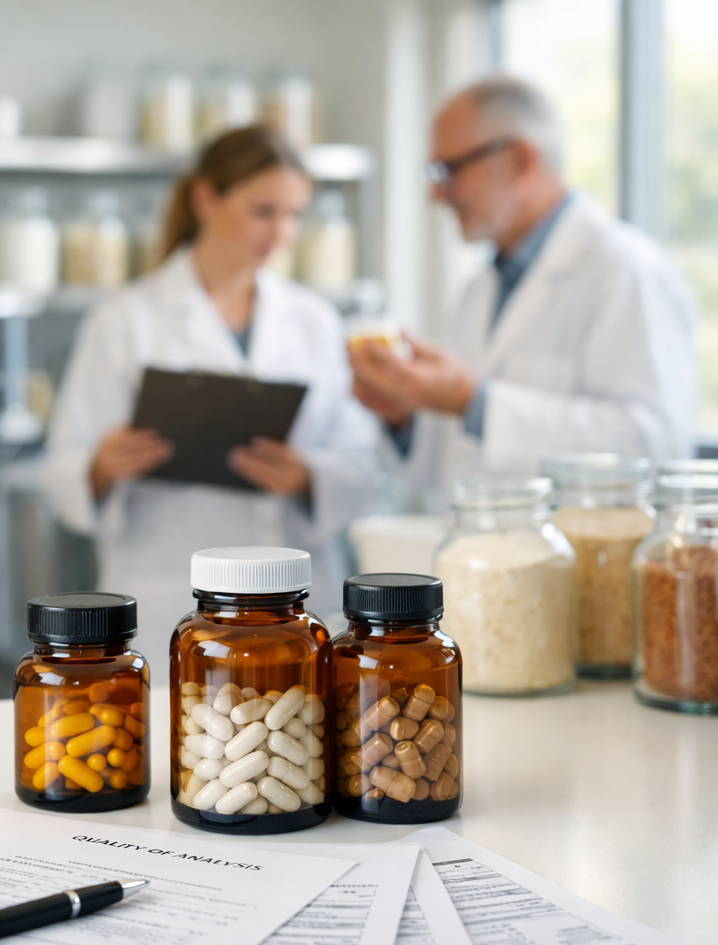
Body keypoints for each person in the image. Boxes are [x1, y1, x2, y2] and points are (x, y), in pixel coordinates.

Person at [44, 126, 377, 670]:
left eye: (295, 214)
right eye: (263, 210)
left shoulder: (315, 321)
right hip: (168, 597)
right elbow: (61, 468)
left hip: (294, 604)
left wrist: (308, 477)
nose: (283, 231)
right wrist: (101, 466)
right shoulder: (125, 319)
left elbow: (362, 463)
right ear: (205, 199)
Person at [349, 76, 697, 508]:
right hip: (480, 557)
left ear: (518, 159)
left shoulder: (625, 271)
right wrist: (404, 414)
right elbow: (454, 463)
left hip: (579, 569)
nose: (437, 194)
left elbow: (655, 445)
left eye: (449, 171)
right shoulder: (478, 289)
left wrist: (474, 402)